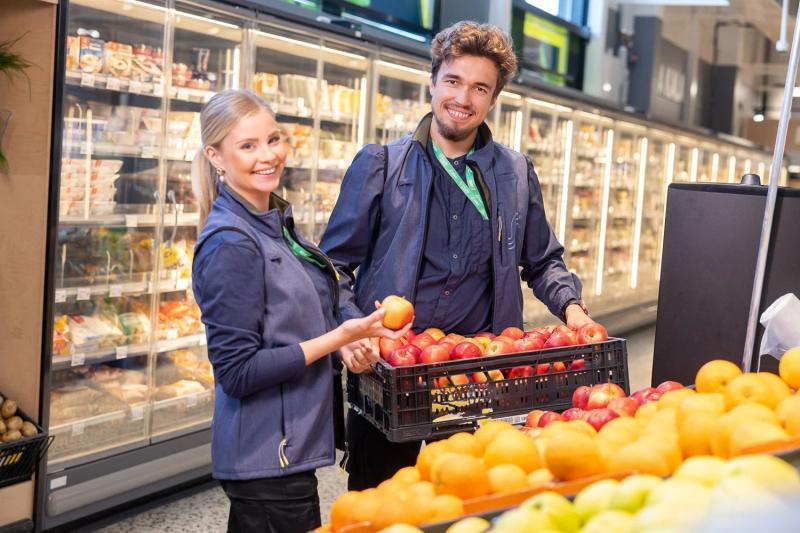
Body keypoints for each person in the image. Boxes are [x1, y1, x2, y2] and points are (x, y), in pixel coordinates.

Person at [319, 21, 594, 490]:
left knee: (465, 498)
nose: (463, 98)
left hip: (477, 373)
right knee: (381, 500)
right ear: (432, 82)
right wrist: (351, 332)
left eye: (479, 88)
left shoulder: (515, 174)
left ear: (493, 99)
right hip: (391, 371)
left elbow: (543, 260)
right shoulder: (383, 164)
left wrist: (572, 308)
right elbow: (331, 267)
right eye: (453, 81)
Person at [190, 89, 409, 532]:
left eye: (273, 139)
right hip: (266, 457)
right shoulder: (231, 242)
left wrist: (348, 341)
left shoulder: (274, 223)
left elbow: (298, 317)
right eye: (247, 145)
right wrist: (340, 337)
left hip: (288, 450)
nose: (268, 156)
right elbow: (237, 372)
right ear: (215, 156)